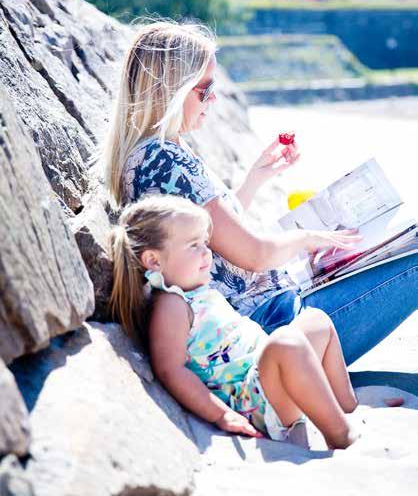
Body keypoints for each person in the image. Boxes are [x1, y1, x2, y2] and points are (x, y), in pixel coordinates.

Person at [102, 20, 418, 366]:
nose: (213, 98)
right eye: (204, 89)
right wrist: (311, 238)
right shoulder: (166, 159)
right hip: (274, 328)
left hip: (271, 313)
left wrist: (256, 177)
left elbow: (214, 234)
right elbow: (254, 253)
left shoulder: (150, 155)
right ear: (171, 90)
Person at [108, 194, 359, 448]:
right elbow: (171, 370)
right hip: (252, 399)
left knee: (316, 320)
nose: (206, 253)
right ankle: (339, 435)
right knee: (287, 341)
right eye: (193, 245)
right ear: (154, 261)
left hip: (268, 378)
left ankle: (345, 407)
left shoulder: (195, 292)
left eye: (205, 243)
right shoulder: (171, 305)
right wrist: (221, 414)